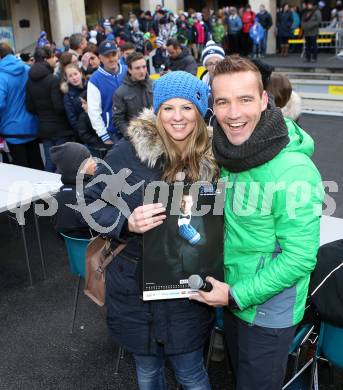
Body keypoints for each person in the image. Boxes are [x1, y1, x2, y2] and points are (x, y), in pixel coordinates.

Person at [190, 55, 323, 390]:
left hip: (264, 312)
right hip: (233, 299)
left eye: (245, 99)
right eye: (223, 102)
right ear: (213, 106)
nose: (233, 114)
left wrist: (236, 295)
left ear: (265, 100)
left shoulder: (293, 170)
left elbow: (299, 258)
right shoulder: (229, 151)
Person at [84, 71, 218, 389]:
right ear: (157, 109)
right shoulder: (127, 153)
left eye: (187, 107)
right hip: (135, 290)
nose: (177, 117)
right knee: (147, 372)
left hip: (189, 290)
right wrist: (126, 223)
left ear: (200, 111)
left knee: (191, 372)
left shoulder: (215, 157)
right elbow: (90, 204)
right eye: (168, 107)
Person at [26, 46, 73, 172]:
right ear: (46, 59)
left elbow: (29, 106)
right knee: (62, 163)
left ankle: (47, 188)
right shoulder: (53, 79)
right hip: (60, 128)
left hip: (44, 127)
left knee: (49, 161)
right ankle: (61, 190)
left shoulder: (29, 80)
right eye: (53, 56)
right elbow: (59, 107)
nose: (55, 59)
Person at [0, 43, 44, 170]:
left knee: (22, 171)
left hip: (12, 129)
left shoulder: (1, 75)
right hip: (32, 125)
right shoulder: (27, 69)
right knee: (37, 165)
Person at [51, 142, 96, 238]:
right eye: (89, 159)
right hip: (95, 249)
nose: (94, 162)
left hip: (72, 249)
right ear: (77, 166)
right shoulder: (88, 195)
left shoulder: (59, 195)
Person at [87, 40, 127, 145]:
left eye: (113, 54)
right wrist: (104, 136)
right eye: (107, 56)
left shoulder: (128, 71)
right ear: (100, 58)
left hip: (134, 127)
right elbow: (94, 112)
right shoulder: (95, 80)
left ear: (118, 53)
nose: (111, 59)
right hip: (113, 132)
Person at [112, 52, 153, 138]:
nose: (142, 71)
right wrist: (131, 135)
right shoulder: (120, 92)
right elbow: (118, 119)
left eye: (144, 67)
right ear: (130, 70)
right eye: (137, 68)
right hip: (137, 138)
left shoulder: (154, 84)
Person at [62, 64, 87, 132]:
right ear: (67, 79)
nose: (74, 78)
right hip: (85, 133)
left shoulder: (91, 86)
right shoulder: (68, 96)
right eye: (70, 76)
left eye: (75, 74)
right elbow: (73, 120)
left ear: (81, 74)